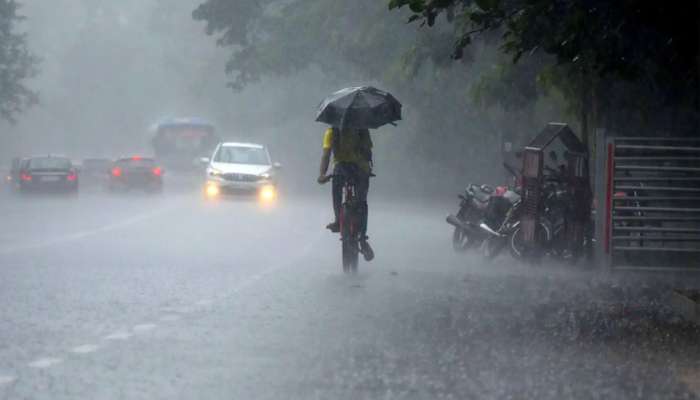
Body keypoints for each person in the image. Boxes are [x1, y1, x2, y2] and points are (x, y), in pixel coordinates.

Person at [317, 126, 374, 261]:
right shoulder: (362, 129)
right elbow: (368, 153)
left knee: (336, 191)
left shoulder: (332, 132)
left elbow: (326, 154)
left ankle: (338, 220)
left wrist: (322, 175)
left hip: (341, 169)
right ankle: (362, 239)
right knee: (362, 201)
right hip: (360, 169)